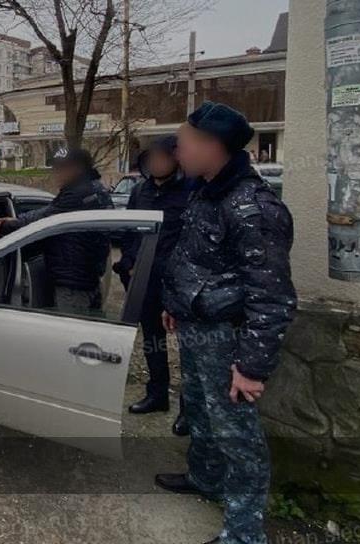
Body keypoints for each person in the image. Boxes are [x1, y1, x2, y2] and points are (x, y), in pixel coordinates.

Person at [156, 102, 297, 544]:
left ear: (212, 146)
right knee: (199, 411)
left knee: (238, 437)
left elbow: (271, 296)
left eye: (184, 142)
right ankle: (205, 478)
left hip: (228, 340)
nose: (177, 150)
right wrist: (174, 303)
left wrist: (251, 367)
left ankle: (244, 533)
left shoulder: (254, 209)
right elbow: (192, 257)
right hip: (195, 327)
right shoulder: (206, 191)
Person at [115, 136, 196, 436]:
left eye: (163, 158)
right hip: (145, 279)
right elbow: (129, 231)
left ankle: (189, 408)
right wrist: (129, 262)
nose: (157, 164)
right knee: (152, 340)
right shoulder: (141, 191)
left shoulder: (191, 190)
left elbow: (194, 239)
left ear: (175, 159)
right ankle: (157, 394)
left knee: (188, 347)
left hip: (180, 283)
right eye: (152, 159)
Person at [0, 148, 113, 313]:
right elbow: (49, 212)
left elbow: (44, 218)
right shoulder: (95, 189)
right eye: (55, 168)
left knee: (71, 326)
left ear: (77, 169)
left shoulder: (78, 194)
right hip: (86, 277)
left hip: (73, 283)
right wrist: (15, 221)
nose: (56, 173)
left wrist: (2, 226)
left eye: (61, 168)